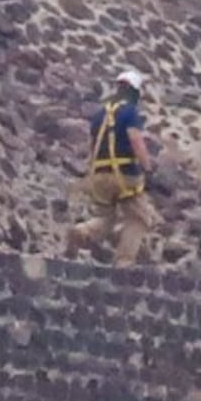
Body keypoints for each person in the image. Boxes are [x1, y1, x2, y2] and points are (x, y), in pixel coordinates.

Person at [68, 68, 157, 266]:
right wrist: (147, 168)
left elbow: (91, 146)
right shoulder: (130, 112)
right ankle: (124, 263)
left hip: (99, 176)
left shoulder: (100, 115)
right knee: (140, 218)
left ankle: (82, 231)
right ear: (135, 91)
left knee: (106, 219)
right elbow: (135, 139)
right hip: (124, 176)